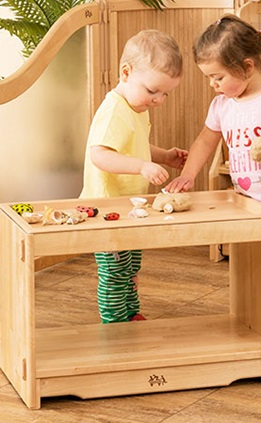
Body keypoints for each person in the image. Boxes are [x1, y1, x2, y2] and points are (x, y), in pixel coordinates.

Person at [164, 15, 261, 371]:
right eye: (209, 78)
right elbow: (207, 140)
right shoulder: (223, 105)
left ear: (247, 66)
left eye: (218, 77)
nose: (213, 85)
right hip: (250, 208)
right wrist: (188, 175)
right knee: (257, 272)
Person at [79, 29, 187, 324]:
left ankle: (130, 313)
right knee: (114, 272)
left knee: (130, 266)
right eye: (153, 91)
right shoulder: (115, 110)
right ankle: (115, 322)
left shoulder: (135, 107)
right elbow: (99, 154)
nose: (159, 100)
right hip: (106, 210)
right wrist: (142, 167)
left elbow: (134, 146)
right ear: (125, 73)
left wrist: (162, 156)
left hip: (128, 209)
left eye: (165, 93)